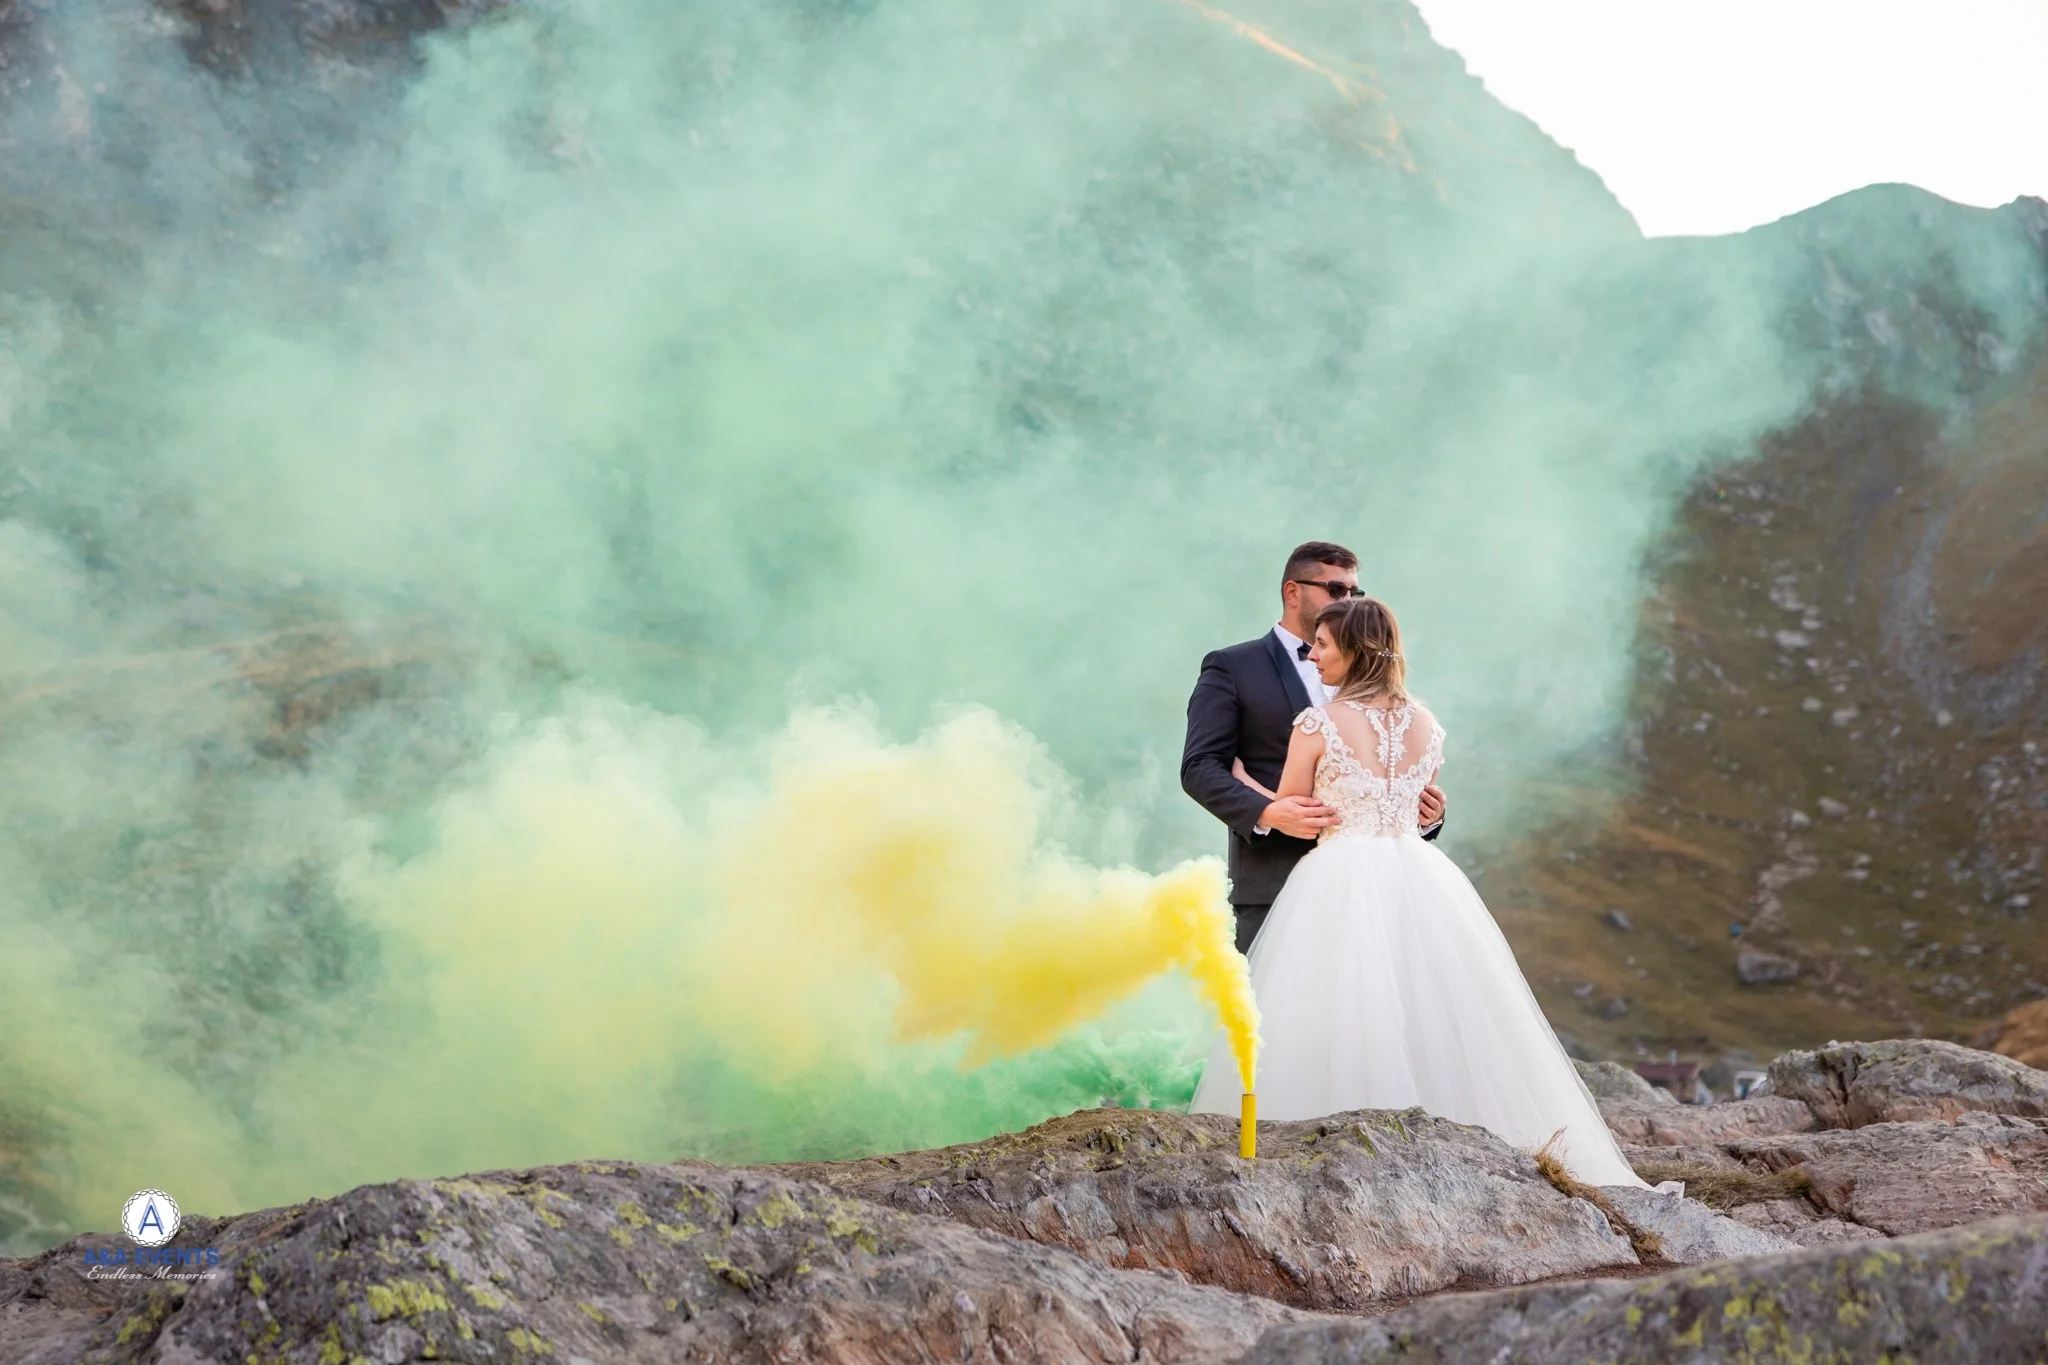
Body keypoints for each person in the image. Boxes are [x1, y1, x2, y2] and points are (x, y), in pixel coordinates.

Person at [1186, 594, 1647, 1189]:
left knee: (1330, 1005)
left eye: (1322, 645)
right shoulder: (1427, 724)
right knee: (1429, 1004)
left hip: (1339, 875)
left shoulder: (1317, 723)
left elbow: (1299, 810)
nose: (1313, 655)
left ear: (1354, 651)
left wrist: (1247, 782)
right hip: (1418, 875)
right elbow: (1412, 803)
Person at [1180, 542, 1445, 955]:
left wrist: (1427, 814)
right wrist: (1267, 812)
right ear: (1293, 592)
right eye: (1336, 590)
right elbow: (1200, 766)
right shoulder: (1232, 667)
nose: (1348, 601)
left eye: (1354, 592)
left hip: (1384, 890)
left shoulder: (1394, 699)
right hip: (1274, 881)